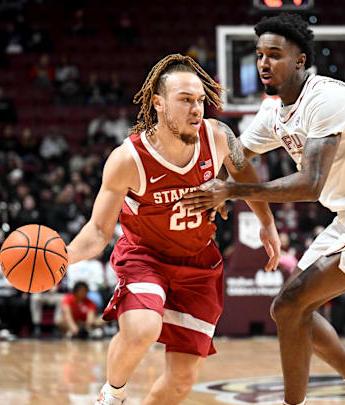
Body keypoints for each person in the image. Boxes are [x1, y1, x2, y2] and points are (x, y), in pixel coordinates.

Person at [181, 14, 345, 405]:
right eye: (260, 54)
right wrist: (199, 150)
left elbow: (310, 185)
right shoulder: (272, 113)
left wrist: (231, 190)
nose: (264, 63)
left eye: (275, 55)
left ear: (300, 60)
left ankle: (306, 401)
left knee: (290, 303)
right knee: (292, 312)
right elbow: (235, 157)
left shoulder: (327, 98)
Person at [65, 54, 280, 405]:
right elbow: (98, 231)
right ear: (158, 103)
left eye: (200, 101)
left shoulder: (219, 136)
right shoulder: (128, 159)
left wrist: (267, 222)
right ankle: (112, 395)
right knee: (142, 330)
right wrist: (64, 257)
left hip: (198, 265)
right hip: (145, 257)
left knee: (181, 383)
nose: (197, 109)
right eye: (185, 100)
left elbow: (244, 174)